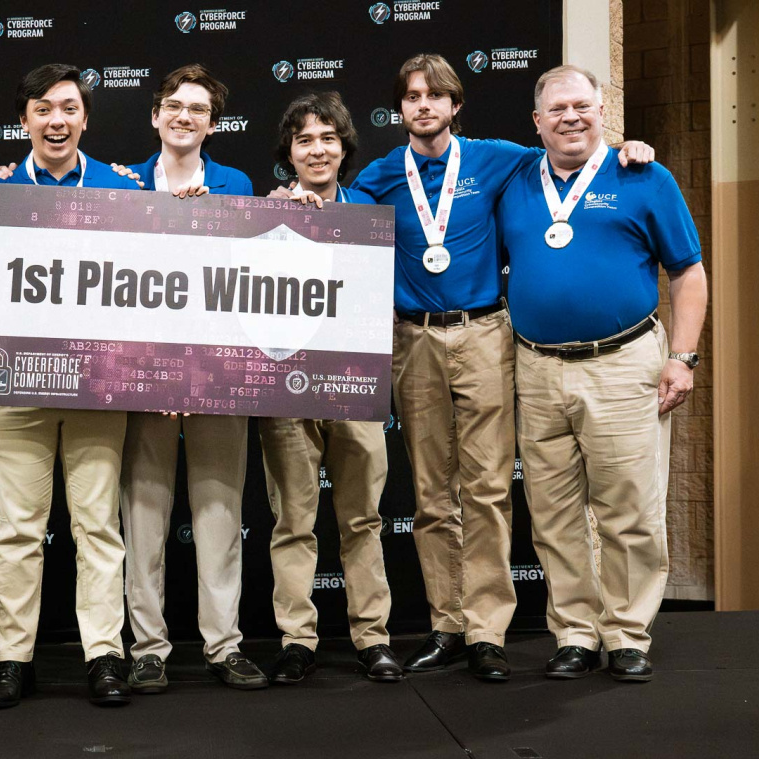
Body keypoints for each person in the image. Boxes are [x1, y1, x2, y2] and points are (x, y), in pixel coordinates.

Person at [350, 53, 652, 681]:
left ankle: (487, 629)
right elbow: (332, 213)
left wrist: (629, 148)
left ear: (455, 105)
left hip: (486, 333)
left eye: (436, 96)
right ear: (399, 108)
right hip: (413, 338)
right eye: (412, 97)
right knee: (432, 495)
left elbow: (573, 149)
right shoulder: (380, 175)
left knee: (487, 489)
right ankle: (448, 624)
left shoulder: (498, 158)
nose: (424, 106)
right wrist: (294, 197)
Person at [498, 65, 706, 682]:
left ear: (601, 110)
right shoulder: (514, 180)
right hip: (536, 367)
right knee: (553, 514)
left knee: (629, 509)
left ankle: (628, 633)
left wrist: (683, 357)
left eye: (582, 106)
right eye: (557, 109)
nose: (571, 117)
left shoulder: (644, 175)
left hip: (622, 364)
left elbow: (687, 272)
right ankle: (575, 634)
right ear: (537, 122)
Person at [0, 63, 139, 709]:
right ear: (24, 120)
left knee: (98, 529)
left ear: (84, 118)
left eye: (68, 108)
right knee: (17, 533)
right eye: (42, 109)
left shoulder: (122, 189)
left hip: (97, 390)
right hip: (15, 390)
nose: (56, 120)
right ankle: (13, 660)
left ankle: (105, 656)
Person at [110, 64, 267, 694]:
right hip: (141, 374)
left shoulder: (236, 185)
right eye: (174, 105)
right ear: (155, 116)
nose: (184, 116)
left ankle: (224, 645)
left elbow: (245, 283)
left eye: (198, 109)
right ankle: (148, 648)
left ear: (213, 123)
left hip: (218, 376)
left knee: (219, 512)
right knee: (143, 516)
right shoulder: (121, 184)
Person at [261, 92, 404, 685]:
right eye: (304, 141)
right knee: (293, 521)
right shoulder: (264, 213)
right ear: (289, 153)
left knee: (362, 519)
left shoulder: (370, 211)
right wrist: (276, 220)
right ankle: (297, 639)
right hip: (287, 390)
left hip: (354, 385)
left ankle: (373, 636)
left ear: (344, 149)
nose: (317, 150)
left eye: (328, 139)